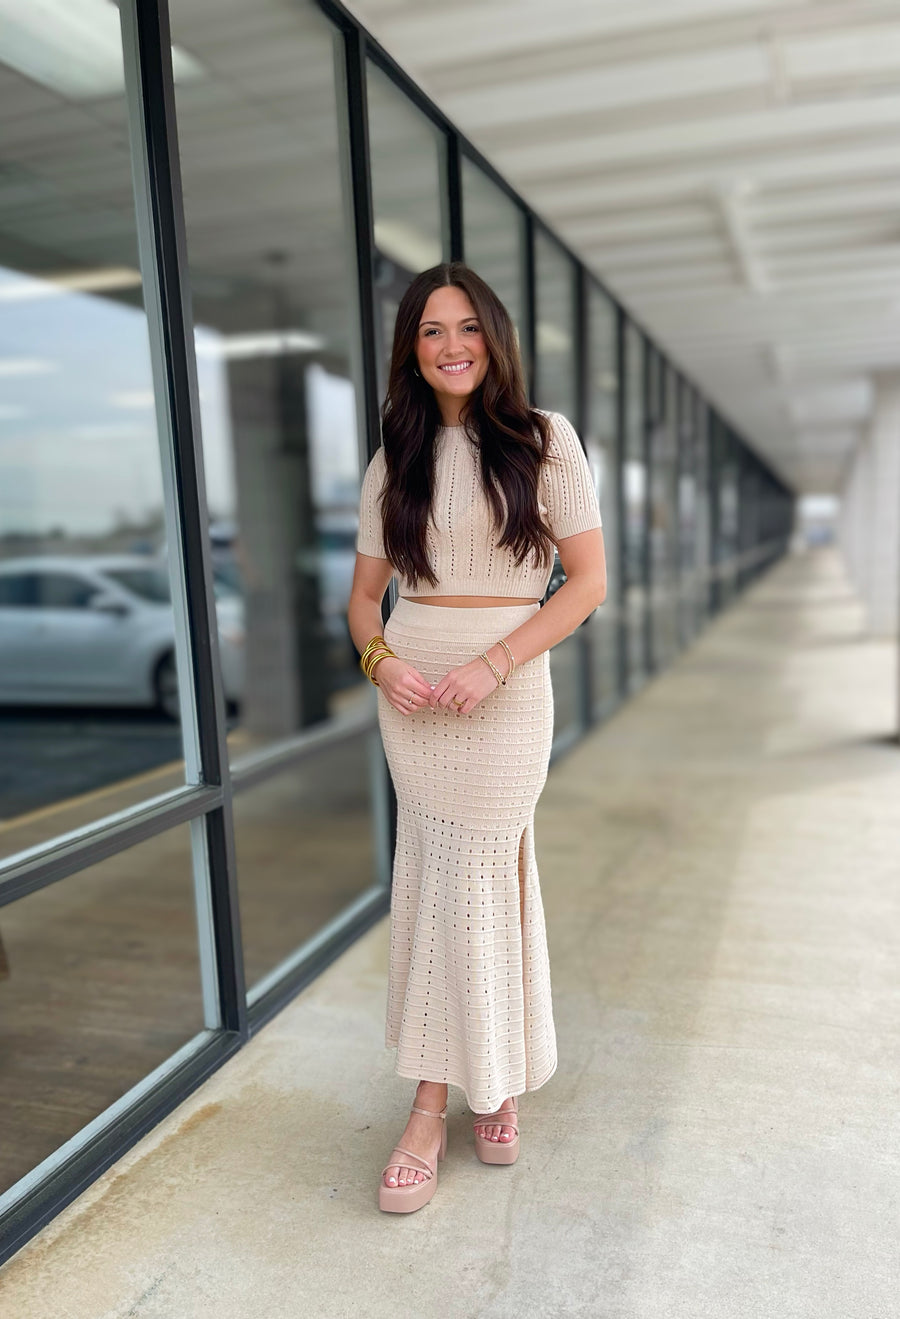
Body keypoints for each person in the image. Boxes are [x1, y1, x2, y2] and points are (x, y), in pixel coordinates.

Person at [348, 262, 606, 1213]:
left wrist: (492, 664)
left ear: (493, 338)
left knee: (481, 874)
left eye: (466, 328)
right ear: (410, 352)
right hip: (415, 700)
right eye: (429, 332)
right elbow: (361, 600)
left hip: (504, 690)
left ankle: (442, 1097)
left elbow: (585, 583)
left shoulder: (546, 442)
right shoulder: (394, 459)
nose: (451, 346)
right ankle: (471, 1089)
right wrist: (383, 664)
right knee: (437, 874)